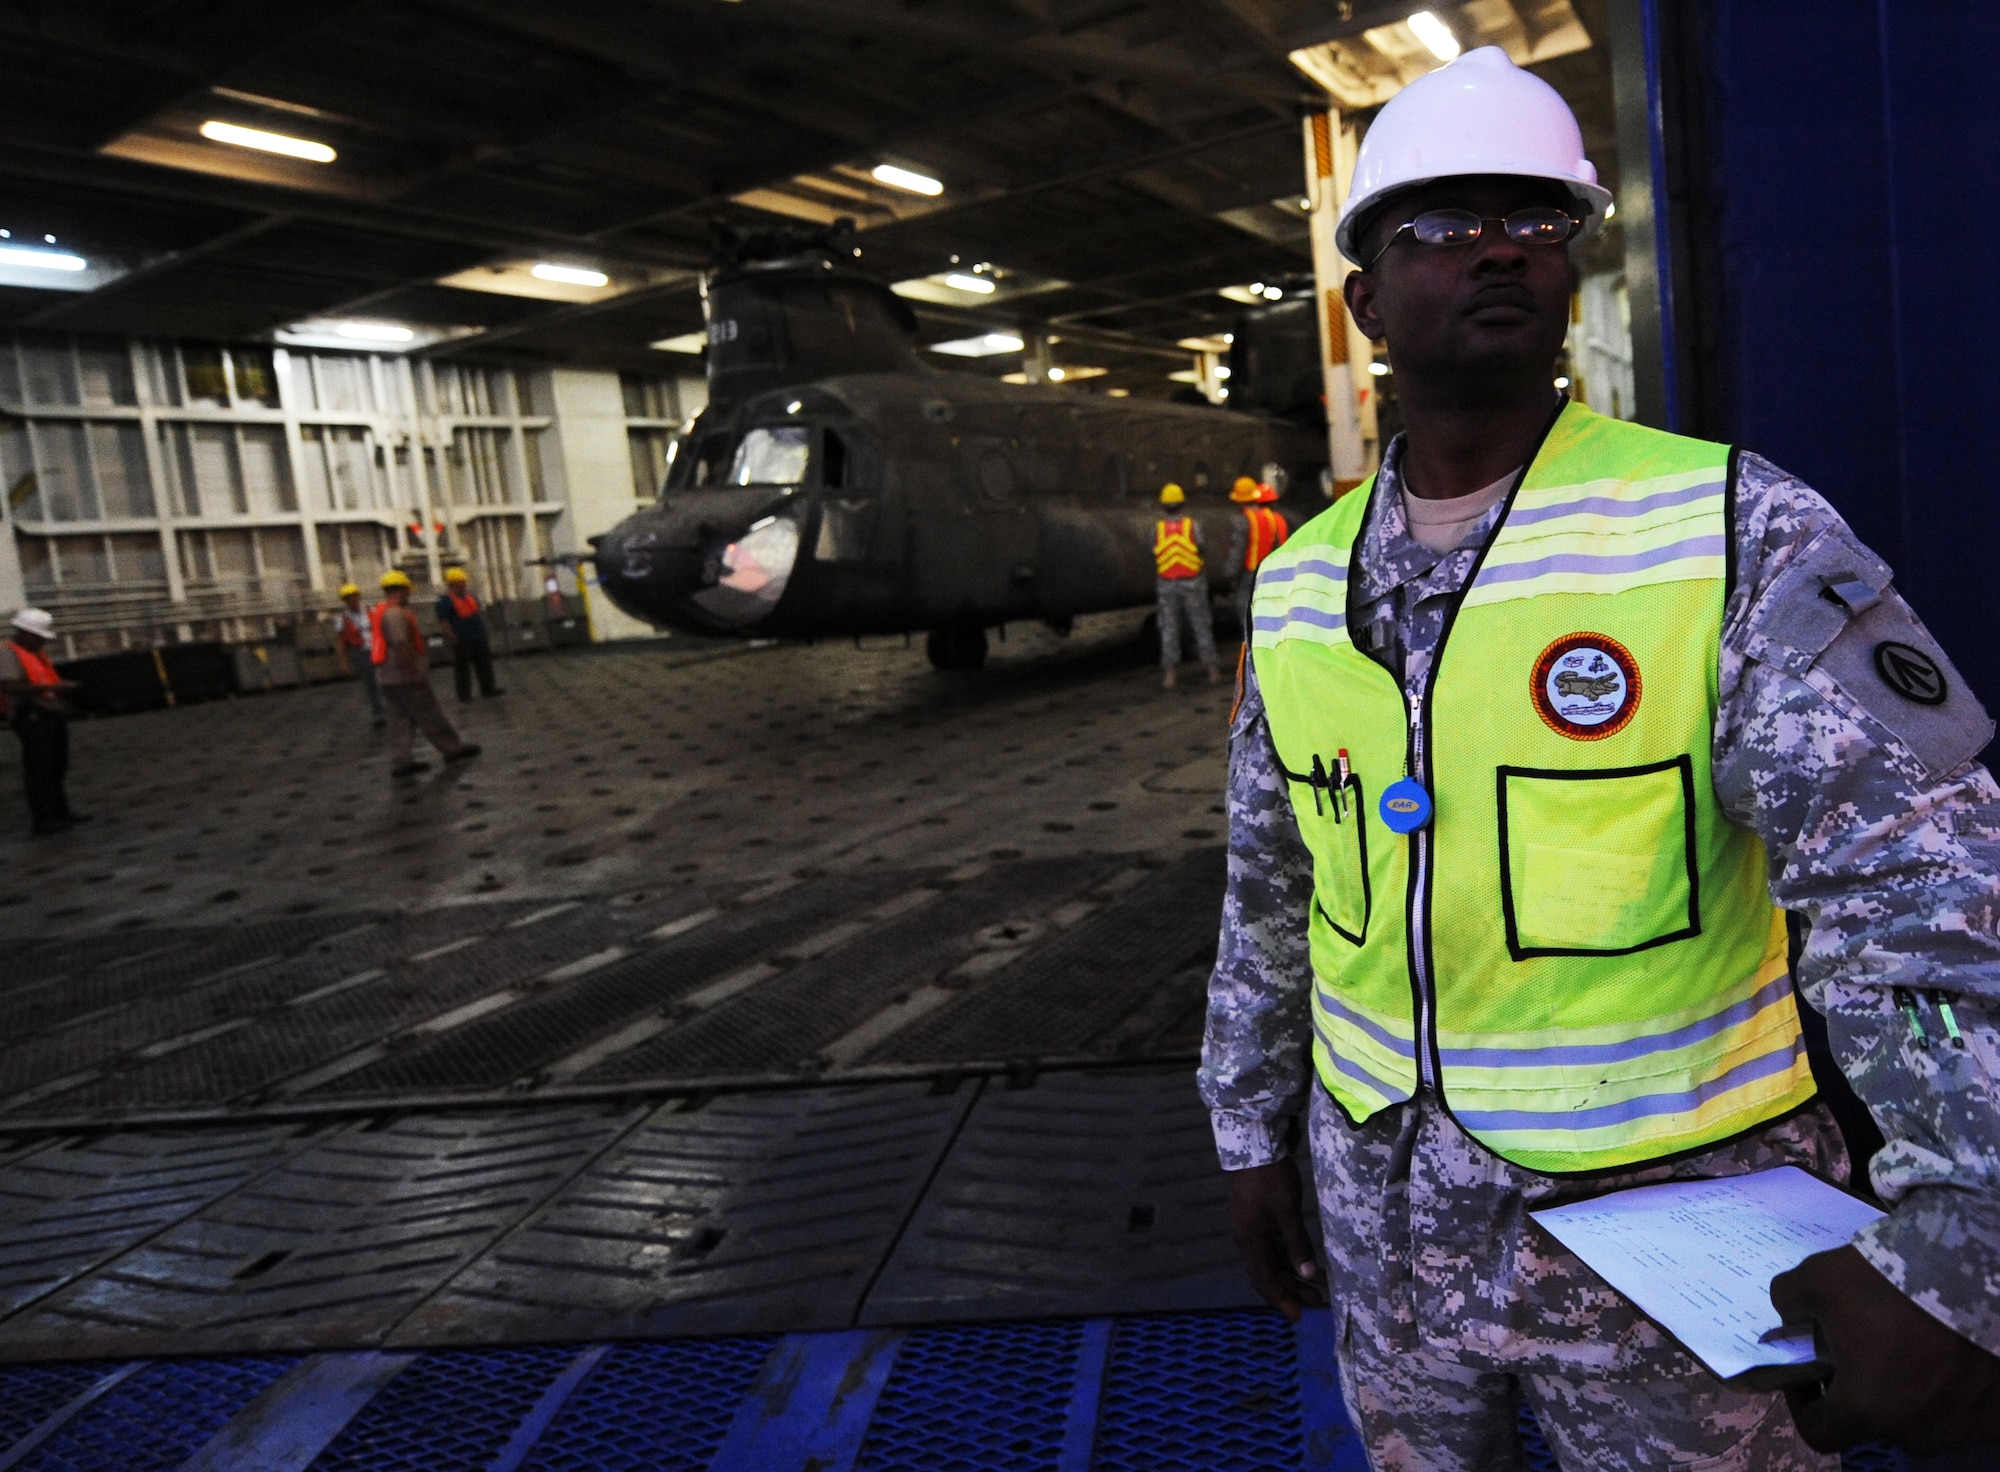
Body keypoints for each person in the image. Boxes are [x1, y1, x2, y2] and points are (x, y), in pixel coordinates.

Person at [1203, 45, 2000, 1472]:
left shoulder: (1733, 532)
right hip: (1394, 1252)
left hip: (1678, 1261)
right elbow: (1274, 887)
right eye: (1440, 226)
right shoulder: (1301, 583)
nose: (1497, 248)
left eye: (1535, 220)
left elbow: (1932, 895)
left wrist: (1962, 1251)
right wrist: (1247, 1125)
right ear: (1366, 299)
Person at [371, 570, 480, 778]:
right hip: (404, 676)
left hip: (387, 676)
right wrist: (415, 671)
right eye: (407, 591)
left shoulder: (381, 611)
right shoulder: (395, 614)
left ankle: (402, 761)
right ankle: (452, 748)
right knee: (429, 713)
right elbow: (401, 644)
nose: (409, 595)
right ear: (401, 590)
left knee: (401, 720)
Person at [0, 608, 87, 836]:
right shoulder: (9, 655)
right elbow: (10, 687)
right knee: (40, 768)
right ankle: (43, 818)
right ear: (26, 633)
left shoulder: (33, 654)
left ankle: (60, 811)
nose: (42, 642)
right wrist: (52, 688)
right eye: (39, 637)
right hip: (30, 716)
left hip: (48, 713)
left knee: (56, 764)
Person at [1153, 482, 1220, 689]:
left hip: (1167, 584)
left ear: (1164, 506)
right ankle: (1212, 671)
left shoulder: (1158, 529)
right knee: (1200, 625)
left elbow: (1153, 551)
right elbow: (1201, 547)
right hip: (1192, 582)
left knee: (1169, 628)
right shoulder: (1192, 525)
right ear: (1182, 504)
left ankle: (1170, 675)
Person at [1225, 475, 1291, 635]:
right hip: (1271, 571)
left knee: (1246, 609)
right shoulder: (1272, 518)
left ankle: (1251, 646)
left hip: (1250, 573)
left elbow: (1238, 550)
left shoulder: (1243, 520)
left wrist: (1230, 575)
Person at [434, 565, 503, 703]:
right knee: (462, 667)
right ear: (453, 583)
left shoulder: (469, 597)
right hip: (461, 638)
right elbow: (444, 620)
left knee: (484, 664)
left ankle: (488, 688)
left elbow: (478, 614)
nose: (464, 583)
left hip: (478, 635)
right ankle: (464, 694)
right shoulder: (444, 601)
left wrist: (485, 629)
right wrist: (451, 636)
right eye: (461, 581)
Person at [332, 582, 386, 728]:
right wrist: (343, 661)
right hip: (361, 653)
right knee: (371, 684)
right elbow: (341, 642)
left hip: (377, 649)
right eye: (348, 598)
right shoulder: (342, 619)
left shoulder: (371, 611)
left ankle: (394, 709)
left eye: (354, 597)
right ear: (345, 601)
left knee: (386, 679)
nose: (353, 601)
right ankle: (379, 713)